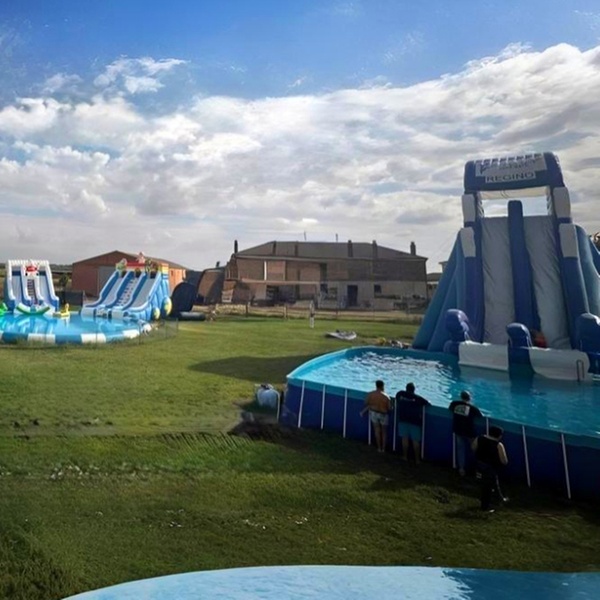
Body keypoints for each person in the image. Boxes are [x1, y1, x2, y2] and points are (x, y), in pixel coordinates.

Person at [472, 425, 509, 512]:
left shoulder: (479, 438)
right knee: (487, 487)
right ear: (499, 436)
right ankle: (485, 507)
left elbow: (473, 448)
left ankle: (500, 498)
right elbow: (504, 461)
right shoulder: (498, 445)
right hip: (490, 468)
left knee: (491, 483)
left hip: (479, 464)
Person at [449, 391, 483, 476]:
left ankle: (461, 469)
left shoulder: (454, 404)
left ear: (460, 397)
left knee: (460, 449)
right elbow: (480, 416)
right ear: (469, 398)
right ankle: (477, 470)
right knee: (475, 450)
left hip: (458, 430)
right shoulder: (473, 408)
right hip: (469, 432)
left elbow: (450, 409)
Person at [395, 382, 430, 464]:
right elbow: (427, 403)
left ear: (406, 388)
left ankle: (404, 457)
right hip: (415, 422)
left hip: (403, 420)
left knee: (404, 439)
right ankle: (417, 460)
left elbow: (397, 398)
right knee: (415, 441)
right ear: (414, 390)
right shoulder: (417, 398)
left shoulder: (400, 394)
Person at [360, 380, 392, 453]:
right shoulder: (386, 396)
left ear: (376, 385)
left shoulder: (371, 394)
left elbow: (366, 402)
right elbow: (389, 408)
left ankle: (379, 448)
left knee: (377, 430)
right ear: (382, 386)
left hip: (374, 413)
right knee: (384, 432)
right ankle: (383, 449)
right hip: (383, 414)